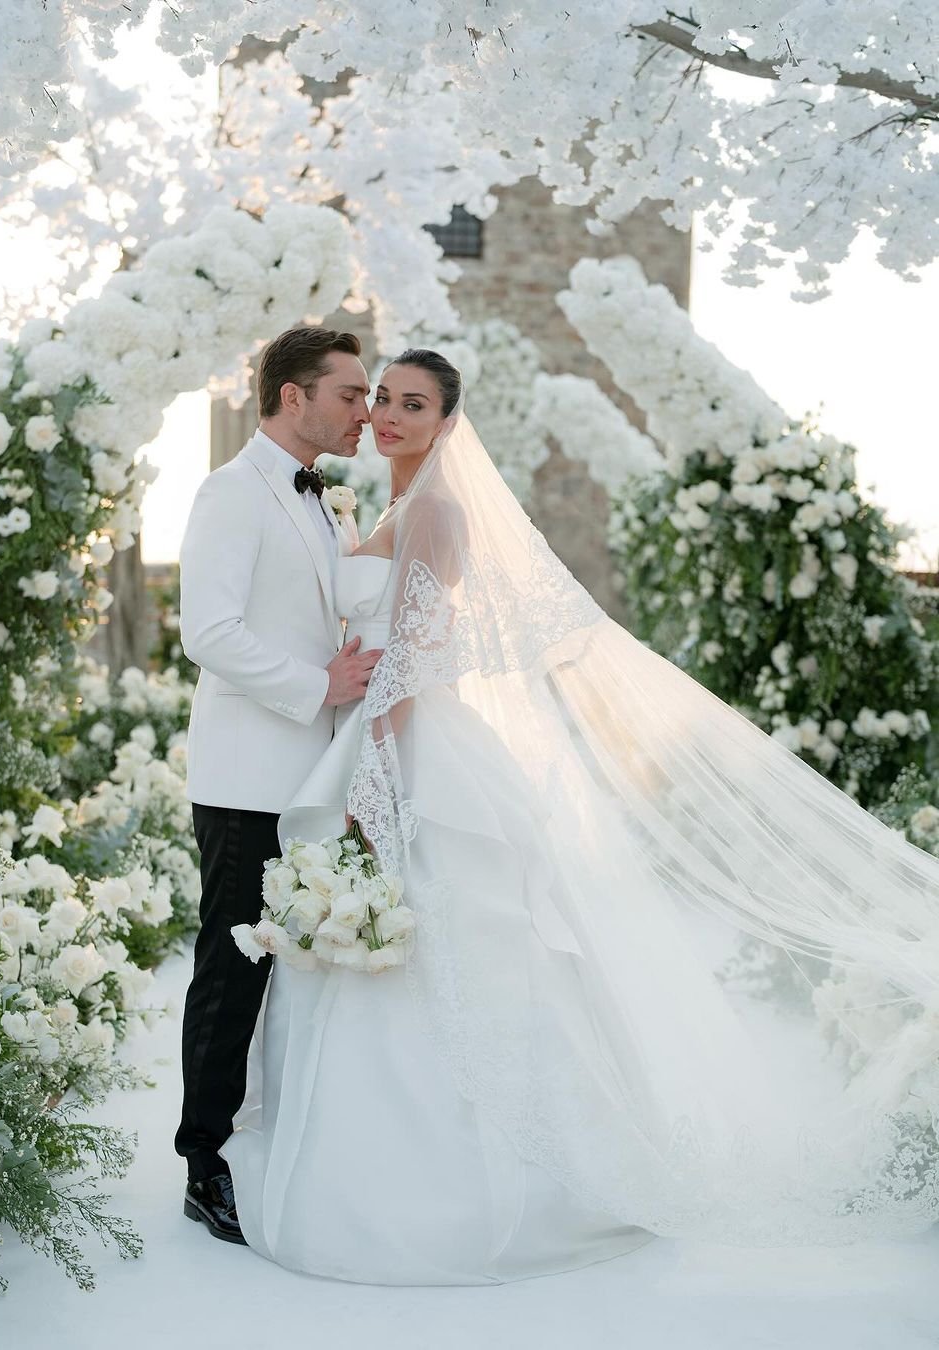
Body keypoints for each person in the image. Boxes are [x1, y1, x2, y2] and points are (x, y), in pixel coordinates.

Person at [222, 347, 939, 1283]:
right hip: (379, 734)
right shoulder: (399, 506)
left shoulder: (434, 511)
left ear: (447, 423)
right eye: (382, 399)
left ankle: (472, 1186)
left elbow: (413, 655)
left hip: (409, 745)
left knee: (444, 930)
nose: (389, 416)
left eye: (412, 404)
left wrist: (375, 783)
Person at [175, 326, 383, 1242]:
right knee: (233, 969)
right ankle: (203, 1161)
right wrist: (317, 686)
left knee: (299, 967)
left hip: (316, 775)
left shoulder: (328, 504)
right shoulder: (230, 492)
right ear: (292, 397)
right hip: (247, 775)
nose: (365, 411)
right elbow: (209, 632)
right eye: (349, 393)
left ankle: (281, 1136)